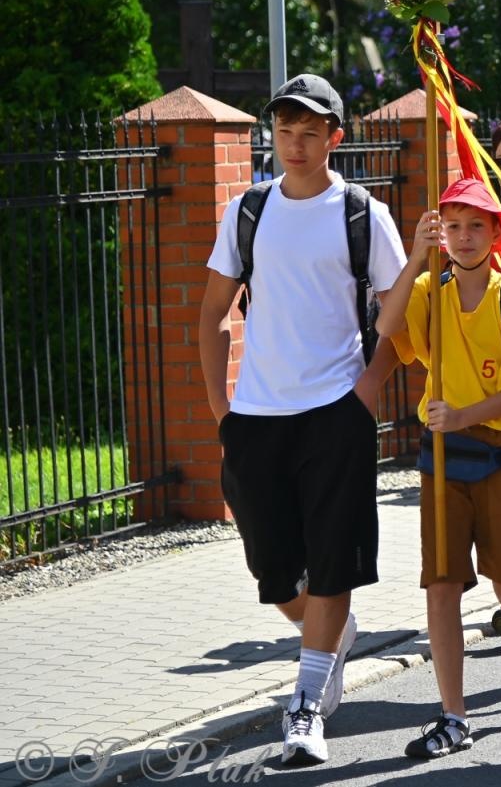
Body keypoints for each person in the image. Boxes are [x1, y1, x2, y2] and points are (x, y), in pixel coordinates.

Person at [197, 74, 406, 766]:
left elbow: (399, 309)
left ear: (334, 138)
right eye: (285, 130)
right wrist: (220, 412)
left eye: (309, 131)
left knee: (332, 559)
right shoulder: (249, 210)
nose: (295, 142)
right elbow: (211, 315)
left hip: (335, 410)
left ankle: (307, 702)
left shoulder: (361, 212)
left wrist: (369, 387)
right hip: (255, 416)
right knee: (272, 566)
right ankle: (331, 635)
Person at [377, 178, 501, 758]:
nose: (463, 237)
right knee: (442, 587)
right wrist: (414, 256)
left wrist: (461, 415)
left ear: (496, 232)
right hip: (442, 464)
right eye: (452, 226)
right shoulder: (431, 288)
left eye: (475, 225)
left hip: (500, 458)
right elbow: (387, 328)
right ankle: (454, 714)